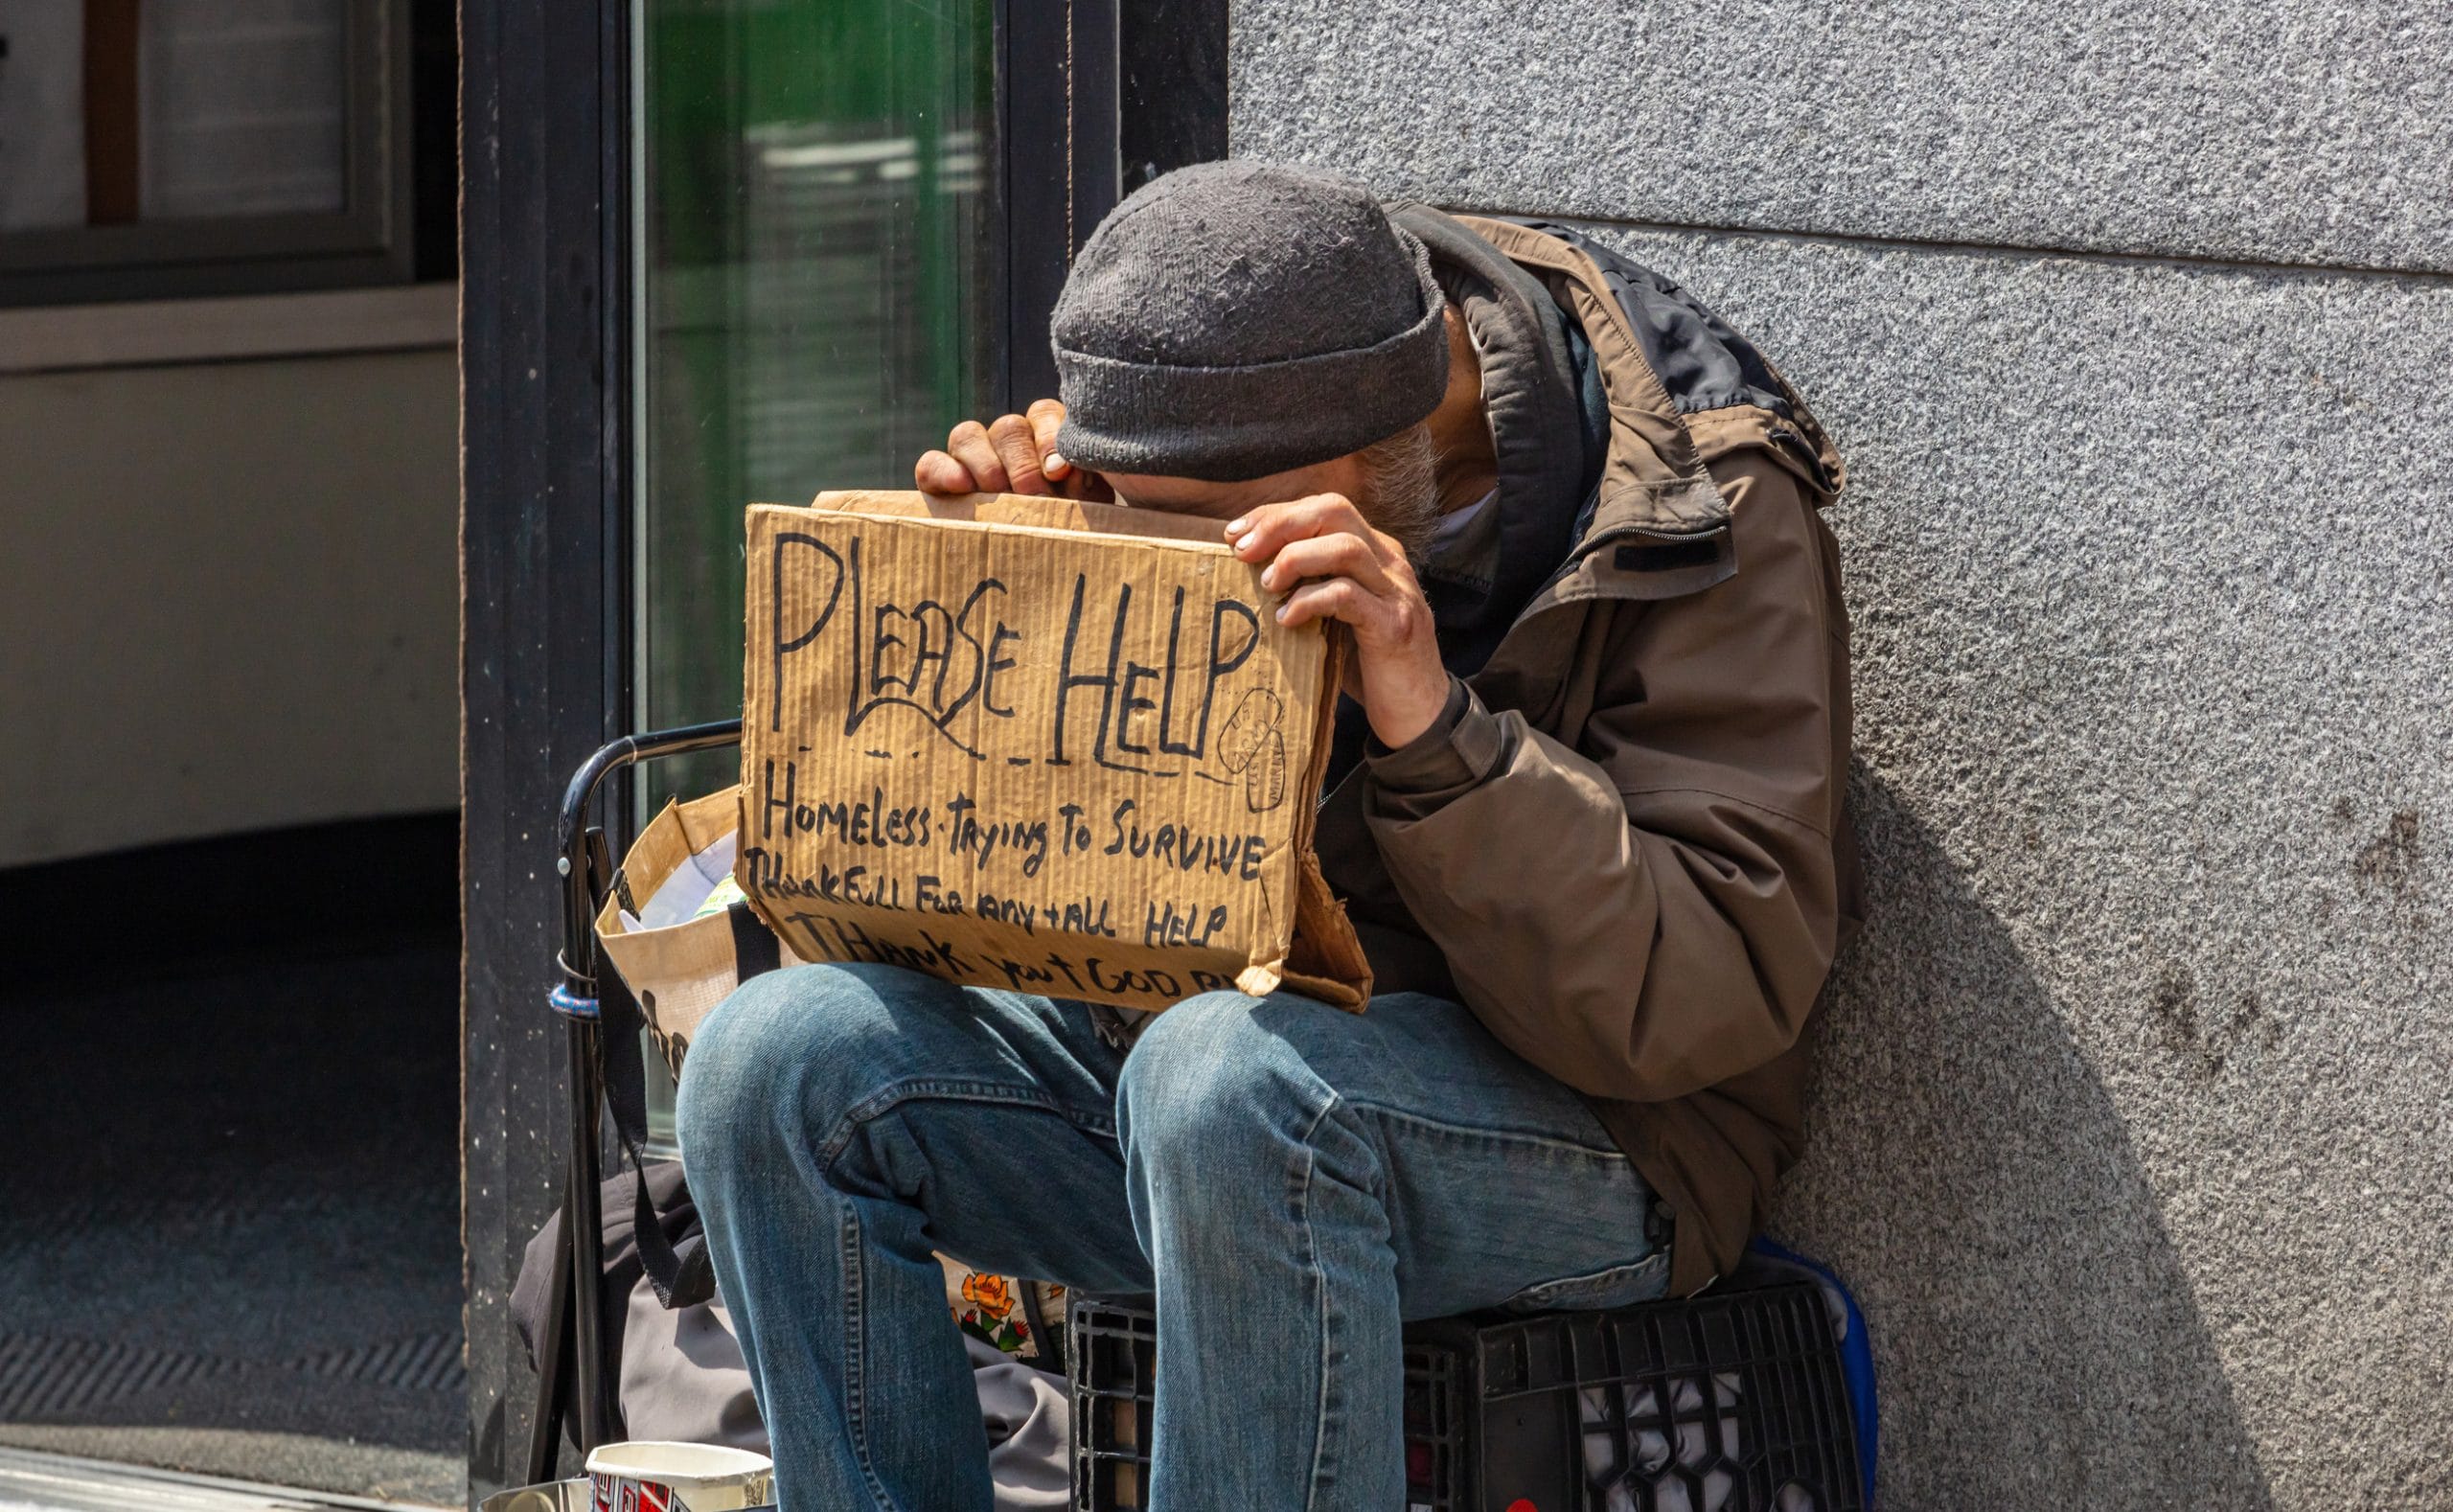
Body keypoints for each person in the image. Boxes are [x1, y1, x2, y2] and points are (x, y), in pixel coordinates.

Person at [676, 159, 1861, 1510]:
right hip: (1216, 1042)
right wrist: (1036, 583)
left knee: (1227, 1087)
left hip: (1609, 1128)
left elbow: (1706, 992)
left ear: (1399, 450)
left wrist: (1437, 734)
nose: (1202, 571)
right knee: (771, 1062)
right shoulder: (1247, 373)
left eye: (1224, 546)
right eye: (1153, 523)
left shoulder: (1700, 498)